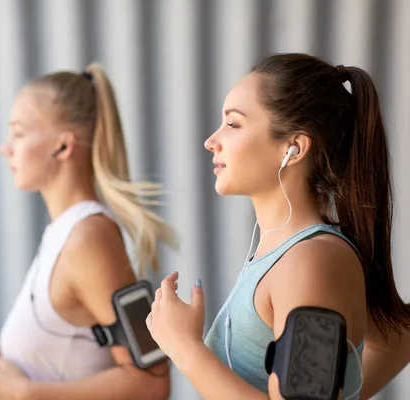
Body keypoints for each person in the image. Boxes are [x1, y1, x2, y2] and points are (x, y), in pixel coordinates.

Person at [145, 53, 410, 400]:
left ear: (294, 148)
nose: (212, 140)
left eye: (234, 123)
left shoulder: (312, 262)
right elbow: (399, 338)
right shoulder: (287, 255)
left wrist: (185, 348)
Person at [0, 63, 178, 400]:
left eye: (18, 132)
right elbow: (55, 373)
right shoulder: (62, 235)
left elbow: (151, 382)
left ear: (62, 147)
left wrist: (27, 394)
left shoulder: (89, 238)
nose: (6, 147)